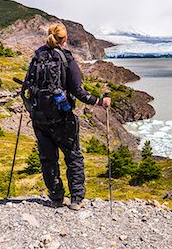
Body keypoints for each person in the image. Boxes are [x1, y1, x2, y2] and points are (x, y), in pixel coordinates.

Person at [23, 24, 111, 210]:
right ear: (64, 39)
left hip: (39, 119)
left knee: (48, 159)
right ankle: (76, 199)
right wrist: (99, 101)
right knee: (73, 157)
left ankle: (56, 197)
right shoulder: (66, 58)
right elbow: (78, 91)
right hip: (62, 118)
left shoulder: (37, 57)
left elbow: (26, 89)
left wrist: (32, 110)